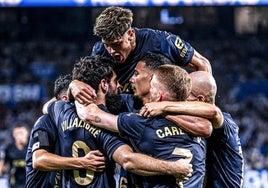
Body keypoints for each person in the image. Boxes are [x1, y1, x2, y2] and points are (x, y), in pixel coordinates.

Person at [46, 56, 193, 187]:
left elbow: (48, 107)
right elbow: (128, 160)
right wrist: (174, 168)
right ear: (104, 85)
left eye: (136, 74)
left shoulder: (60, 109)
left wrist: (73, 87)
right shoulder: (108, 127)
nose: (121, 85)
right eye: (115, 81)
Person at [76, 64, 206, 187]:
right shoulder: (199, 126)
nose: (150, 89)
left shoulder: (143, 123)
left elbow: (90, 114)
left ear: (159, 95)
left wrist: (75, 86)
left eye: (152, 86)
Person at [140, 71, 244, 188]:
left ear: (200, 100)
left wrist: (163, 106)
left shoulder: (225, 124)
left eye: (185, 97)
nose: (180, 100)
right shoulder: (194, 123)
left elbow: (214, 112)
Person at [91, 6, 211, 91]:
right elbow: (88, 82)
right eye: (107, 45)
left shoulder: (161, 42)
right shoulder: (100, 52)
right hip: (123, 116)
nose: (111, 51)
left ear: (131, 34)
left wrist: (199, 106)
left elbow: (203, 64)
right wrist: (74, 86)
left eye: (116, 44)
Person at [25, 74, 106, 188]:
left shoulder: (73, 123)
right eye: (79, 98)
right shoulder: (45, 122)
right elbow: (39, 160)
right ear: (65, 99)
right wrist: (83, 162)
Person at [0, 123, 29, 188]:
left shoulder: (31, 148)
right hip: (14, 184)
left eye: (22, 133)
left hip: (30, 183)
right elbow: (2, 166)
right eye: (18, 134)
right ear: (14, 135)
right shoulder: (9, 148)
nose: (20, 136)